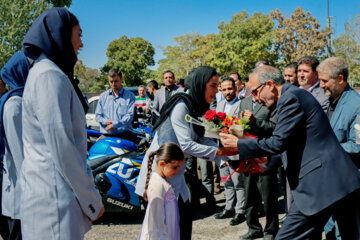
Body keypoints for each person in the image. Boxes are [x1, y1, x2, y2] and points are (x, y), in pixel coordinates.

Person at [220, 65, 360, 239]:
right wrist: (263, 162)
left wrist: (239, 145)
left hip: (321, 185)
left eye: (255, 92)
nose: (254, 99)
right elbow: (292, 144)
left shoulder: (290, 97)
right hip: (338, 181)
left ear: (269, 84)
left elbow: (278, 142)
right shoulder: (291, 96)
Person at [21, 8, 104, 240]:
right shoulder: (49, 76)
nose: (81, 43)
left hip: (52, 196)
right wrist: (92, 200)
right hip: (53, 198)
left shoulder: (49, 74)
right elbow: (64, 148)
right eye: (79, 35)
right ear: (61, 35)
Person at [135, 66, 237, 240]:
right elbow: (187, 145)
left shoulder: (195, 107)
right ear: (200, 84)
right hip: (160, 179)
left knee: (183, 228)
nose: (217, 90)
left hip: (176, 179)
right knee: (162, 232)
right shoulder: (181, 106)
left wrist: (227, 157)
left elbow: (201, 137)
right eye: (213, 85)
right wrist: (221, 151)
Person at [232, 71, 279, 240]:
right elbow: (238, 124)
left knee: (269, 197)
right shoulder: (243, 102)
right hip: (247, 154)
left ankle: (271, 230)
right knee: (249, 195)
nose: (253, 93)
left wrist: (255, 122)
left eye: (255, 89)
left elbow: (274, 127)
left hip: (265, 155)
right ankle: (253, 227)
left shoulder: (271, 102)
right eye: (250, 89)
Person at [317, 57, 360, 240]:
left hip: (347, 183)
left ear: (340, 79)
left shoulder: (356, 105)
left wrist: (327, 148)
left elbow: (357, 145)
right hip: (329, 181)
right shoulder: (330, 101)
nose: (320, 85)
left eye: (324, 81)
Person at [0, 51, 30, 240]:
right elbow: (22, 160)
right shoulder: (15, 105)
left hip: (18, 195)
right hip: (18, 198)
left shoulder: (17, 101)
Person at [214, 76, 246, 226]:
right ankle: (229, 207)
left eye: (230, 88)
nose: (228, 92)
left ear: (236, 88)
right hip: (221, 149)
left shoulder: (241, 104)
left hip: (235, 148)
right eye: (224, 89)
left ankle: (240, 211)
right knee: (225, 180)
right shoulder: (219, 105)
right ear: (220, 89)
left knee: (238, 181)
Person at [138, 142, 184, 240]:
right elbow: (155, 223)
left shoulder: (162, 181)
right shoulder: (157, 185)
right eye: (175, 167)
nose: (177, 171)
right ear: (162, 163)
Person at [95, 68, 138, 143]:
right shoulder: (103, 96)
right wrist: (105, 121)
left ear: (122, 79)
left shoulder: (130, 96)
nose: (113, 84)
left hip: (125, 135)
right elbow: (98, 116)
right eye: (111, 81)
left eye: (116, 81)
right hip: (107, 136)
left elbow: (129, 116)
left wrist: (114, 124)